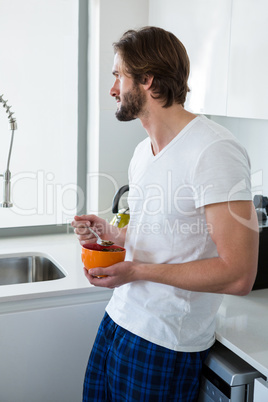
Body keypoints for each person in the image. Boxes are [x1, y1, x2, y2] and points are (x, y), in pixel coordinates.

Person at [72, 26, 259, 401]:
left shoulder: (214, 150)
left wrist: (137, 271)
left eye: (118, 76)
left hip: (164, 342)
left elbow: (239, 275)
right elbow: (158, 234)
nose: (112, 89)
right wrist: (109, 233)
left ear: (147, 79)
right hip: (118, 321)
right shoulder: (144, 152)